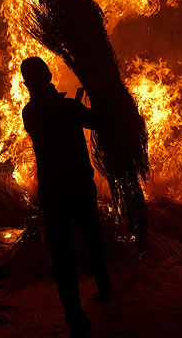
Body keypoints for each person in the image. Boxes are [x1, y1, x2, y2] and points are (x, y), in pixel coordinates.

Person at [21, 57, 110, 337]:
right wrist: (97, 92)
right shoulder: (67, 107)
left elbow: (52, 113)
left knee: (62, 255)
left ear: (26, 84)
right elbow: (97, 121)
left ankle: (74, 316)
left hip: (53, 191)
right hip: (78, 185)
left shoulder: (29, 113)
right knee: (93, 239)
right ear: (48, 76)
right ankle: (105, 289)